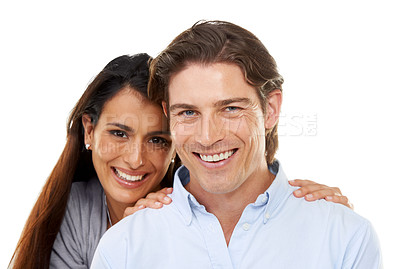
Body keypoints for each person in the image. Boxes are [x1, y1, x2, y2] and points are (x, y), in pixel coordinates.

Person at [9, 53, 349, 269]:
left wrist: (306, 211)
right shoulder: (73, 212)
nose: (135, 158)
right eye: (119, 133)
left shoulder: (201, 204)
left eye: (158, 140)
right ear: (89, 130)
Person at [90, 21, 382, 268]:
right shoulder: (122, 248)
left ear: (270, 109)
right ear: (169, 116)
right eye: (188, 112)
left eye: (230, 109)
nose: (207, 137)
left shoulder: (345, 238)